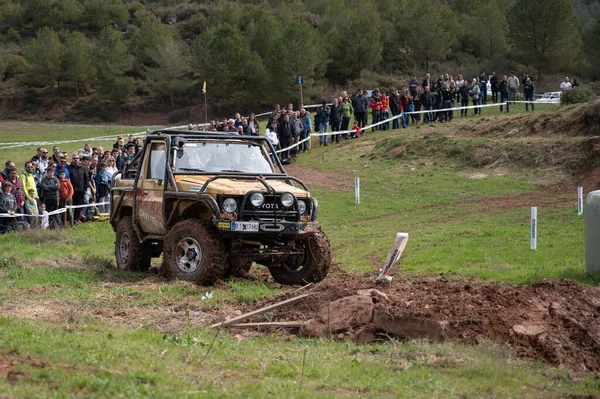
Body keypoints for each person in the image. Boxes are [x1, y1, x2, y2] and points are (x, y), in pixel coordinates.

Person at [67, 153, 89, 222]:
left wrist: (84, 188)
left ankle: (76, 219)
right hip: (71, 191)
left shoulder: (83, 168)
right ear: (72, 159)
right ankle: (70, 220)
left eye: (77, 158)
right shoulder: (68, 168)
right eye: (74, 158)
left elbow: (86, 178)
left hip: (80, 190)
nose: (75, 160)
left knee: (79, 206)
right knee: (71, 206)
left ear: (79, 159)